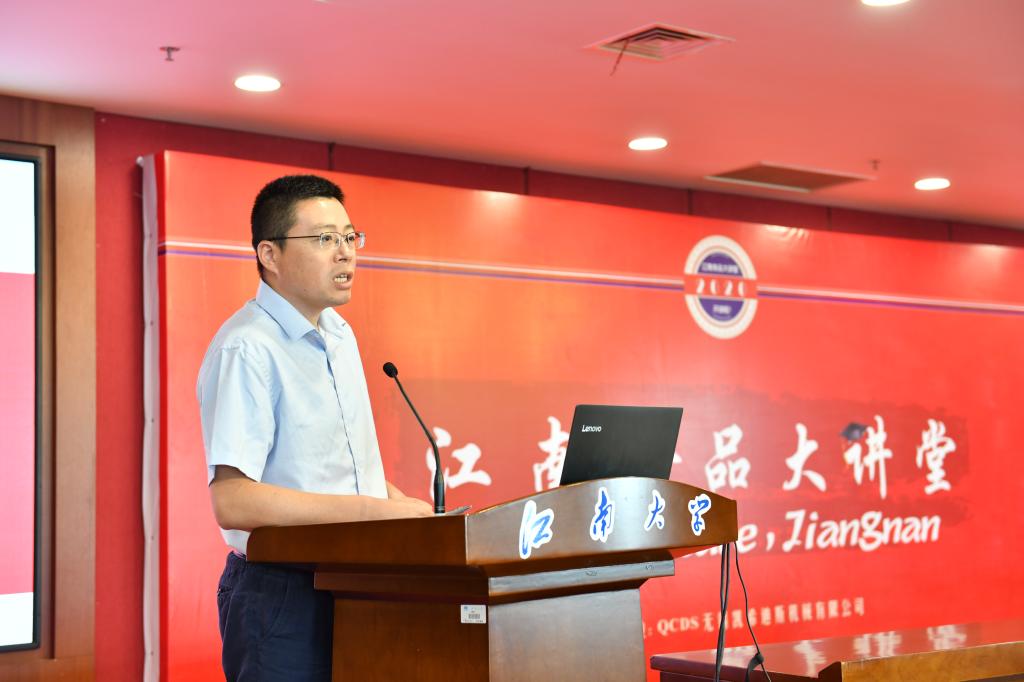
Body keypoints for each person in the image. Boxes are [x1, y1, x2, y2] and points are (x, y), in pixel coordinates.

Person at [196, 174, 433, 681]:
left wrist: (403, 509)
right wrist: (371, 511)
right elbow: (233, 500)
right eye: (325, 238)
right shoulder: (248, 347)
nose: (346, 253)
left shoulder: (338, 335)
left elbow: (336, 471)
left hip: (356, 586)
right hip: (282, 593)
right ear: (269, 254)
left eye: (350, 236)